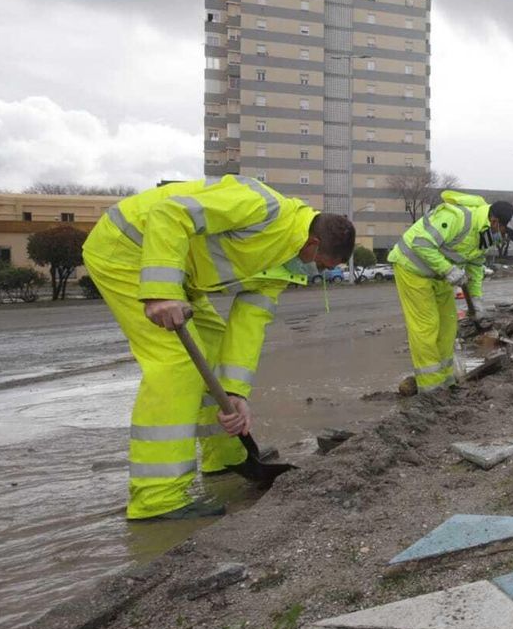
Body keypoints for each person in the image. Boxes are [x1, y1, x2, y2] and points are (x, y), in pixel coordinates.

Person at [82, 175, 355, 520]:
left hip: (182, 277)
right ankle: (156, 498)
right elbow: (170, 213)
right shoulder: (261, 206)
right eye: (321, 265)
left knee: (211, 353)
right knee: (178, 364)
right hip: (127, 249)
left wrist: (235, 393)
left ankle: (223, 455)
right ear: (313, 245)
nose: (317, 271)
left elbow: (248, 326)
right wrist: (161, 289)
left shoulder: (282, 266)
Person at [392, 193, 513, 393]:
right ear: (494, 220)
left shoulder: (485, 236)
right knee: (427, 327)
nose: (503, 236)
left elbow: (475, 266)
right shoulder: (458, 218)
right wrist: (449, 270)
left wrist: (476, 302)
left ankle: (446, 381)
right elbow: (420, 243)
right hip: (412, 269)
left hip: (440, 275)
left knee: (448, 325)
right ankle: (430, 388)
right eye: (504, 230)